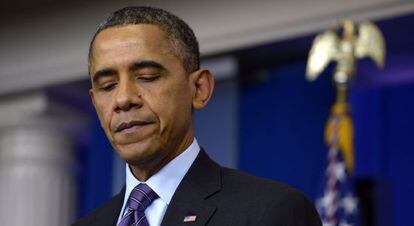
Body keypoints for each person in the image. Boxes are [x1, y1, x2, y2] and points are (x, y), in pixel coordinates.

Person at [72, 6, 322, 226]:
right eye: (107, 86)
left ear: (199, 89)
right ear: (95, 103)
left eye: (147, 77)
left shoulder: (272, 212)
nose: (124, 99)